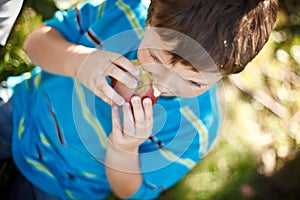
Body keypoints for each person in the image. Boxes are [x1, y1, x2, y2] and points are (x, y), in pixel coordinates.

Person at [0, 0, 278, 199]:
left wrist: (124, 148)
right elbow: (34, 43)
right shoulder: (122, 12)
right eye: (155, 57)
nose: (163, 83)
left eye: (192, 81)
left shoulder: (196, 127)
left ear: (225, 75)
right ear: (149, 18)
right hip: (21, 108)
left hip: (66, 185)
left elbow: (130, 193)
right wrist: (78, 61)